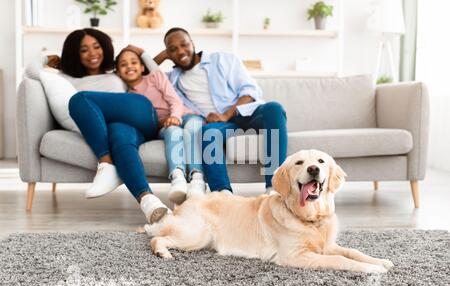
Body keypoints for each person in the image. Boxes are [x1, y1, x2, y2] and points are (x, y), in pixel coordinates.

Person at [25, 28, 170, 224]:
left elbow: (155, 74)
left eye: (96, 47)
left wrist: (144, 53)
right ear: (74, 54)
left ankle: (106, 162)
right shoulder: (65, 78)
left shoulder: (117, 73)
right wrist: (46, 57)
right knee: (119, 136)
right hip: (120, 129)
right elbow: (32, 73)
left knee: (79, 100)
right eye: (84, 50)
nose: (93, 53)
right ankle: (149, 202)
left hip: (141, 113)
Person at [147, 27, 288, 195]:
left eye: (184, 45)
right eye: (173, 49)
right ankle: (222, 194)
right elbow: (144, 74)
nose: (180, 51)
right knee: (206, 132)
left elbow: (250, 90)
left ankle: (274, 188)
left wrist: (226, 114)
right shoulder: (172, 78)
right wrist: (164, 55)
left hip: (245, 114)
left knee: (274, 108)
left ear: (193, 43)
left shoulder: (223, 59)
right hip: (219, 125)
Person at [115, 47, 207, 204]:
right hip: (164, 124)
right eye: (123, 64)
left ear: (142, 67)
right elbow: (144, 122)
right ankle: (178, 178)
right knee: (173, 132)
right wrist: (165, 123)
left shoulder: (155, 77)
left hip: (185, 114)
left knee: (192, 129)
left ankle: (197, 179)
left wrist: (175, 116)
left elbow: (174, 100)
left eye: (134, 62)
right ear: (117, 72)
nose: (129, 66)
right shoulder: (127, 97)